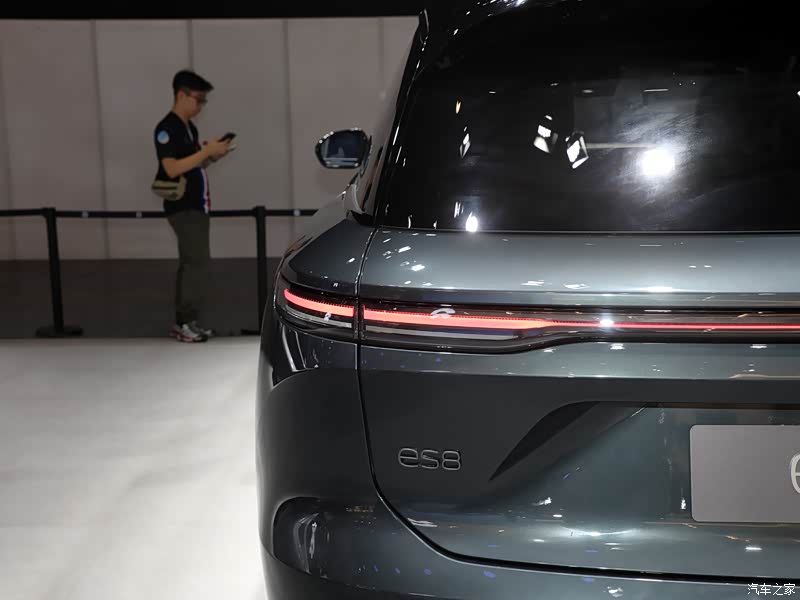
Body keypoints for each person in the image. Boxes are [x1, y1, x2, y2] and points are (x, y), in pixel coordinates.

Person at [153, 69, 232, 343]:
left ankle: (189, 321)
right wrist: (205, 152)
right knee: (195, 263)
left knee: (194, 263)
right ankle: (183, 322)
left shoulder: (189, 127)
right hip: (183, 207)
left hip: (197, 205)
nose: (201, 106)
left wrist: (212, 155)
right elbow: (171, 168)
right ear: (181, 95)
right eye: (198, 99)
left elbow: (192, 165)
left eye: (203, 101)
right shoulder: (167, 128)